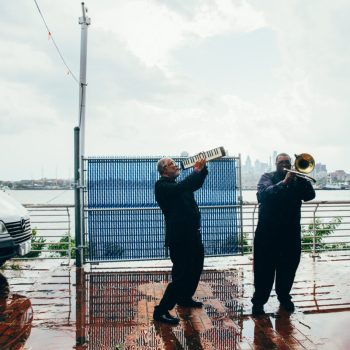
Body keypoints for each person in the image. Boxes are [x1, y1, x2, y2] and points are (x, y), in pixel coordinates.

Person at [251, 153, 315, 315]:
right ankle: (258, 302)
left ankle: (284, 297)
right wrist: (284, 182)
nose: (284, 164)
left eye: (287, 162)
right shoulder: (267, 177)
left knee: (288, 268)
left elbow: (310, 196)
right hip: (267, 232)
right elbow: (263, 195)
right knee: (263, 269)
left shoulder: (298, 180)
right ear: (276, 163)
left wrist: (300, 179)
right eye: (281, 162)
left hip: (290, 232)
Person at [153, 156, 208, 325]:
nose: (175, 166)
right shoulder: (162, 186)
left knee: (196, 266)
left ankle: (184, 298)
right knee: (182, 275)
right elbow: (186, 185)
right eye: (171, 164)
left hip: (192, 235)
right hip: (180, 238)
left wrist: (203, 170)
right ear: (163, 171)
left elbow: (194, 184)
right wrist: (196, 171)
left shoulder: (177, 185)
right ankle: (161, 310)